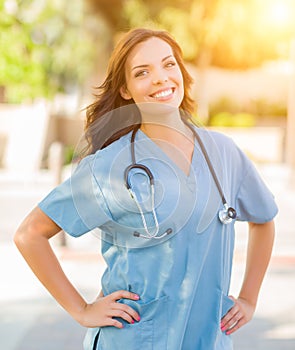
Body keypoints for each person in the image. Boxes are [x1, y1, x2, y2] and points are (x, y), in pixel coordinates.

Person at [14, 28, 278, 350]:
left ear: (181, 73)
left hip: (206, 339)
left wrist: (249, 298)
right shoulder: (109, 166)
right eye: (143, 72)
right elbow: (30, 234)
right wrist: (81, 309)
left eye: (169, 65)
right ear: (125, 90)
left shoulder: (224, 153)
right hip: (134, 339)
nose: (160, 78)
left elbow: (263, 219)